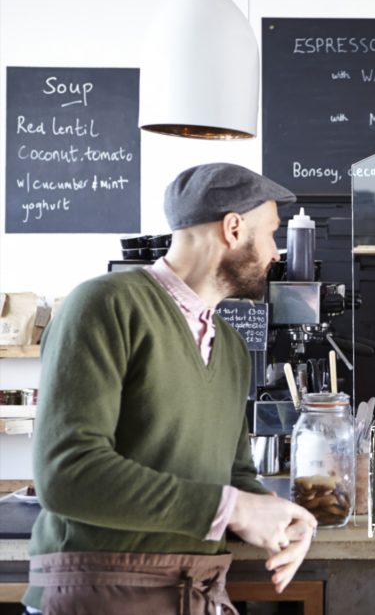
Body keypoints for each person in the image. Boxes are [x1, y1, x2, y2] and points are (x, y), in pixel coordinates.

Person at [24, 163, 317, 615]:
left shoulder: (233, 346)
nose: (277, 252)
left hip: (193, 593)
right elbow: (68, 475)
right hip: (97, 595)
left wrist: (281, 519)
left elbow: (233, 474)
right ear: (234, 228)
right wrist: (233, 509)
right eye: (272, 234)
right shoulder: (105, 305)